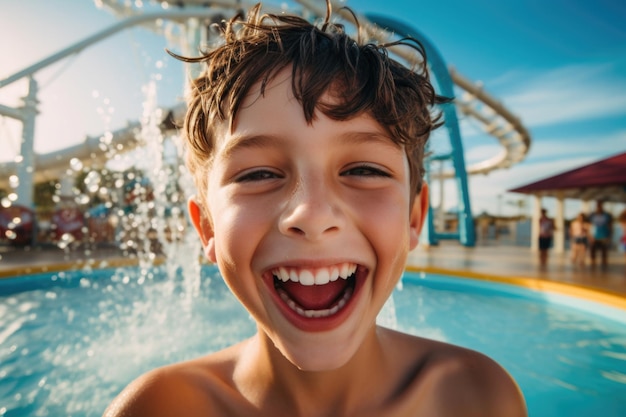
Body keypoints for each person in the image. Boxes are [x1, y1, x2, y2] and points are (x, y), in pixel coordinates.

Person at [104, 3, 526, 416]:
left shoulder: (476, 396)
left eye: (363, 169)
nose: (312, 214)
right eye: (257, 175)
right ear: (208, 228)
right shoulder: (159, 408)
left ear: (415, 218)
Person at [589, 200, 612, 268]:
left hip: (604, 236)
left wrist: (609, 235)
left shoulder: (607, 215)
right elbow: (589, 225)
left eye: (600, 205)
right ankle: (593, 264)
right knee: (593, 251)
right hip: (594, 236)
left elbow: (610, 226)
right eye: (597, 205)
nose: (599, 207)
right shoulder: (592, 215)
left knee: (604, 251)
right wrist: (590, 236)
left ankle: (604, 264)